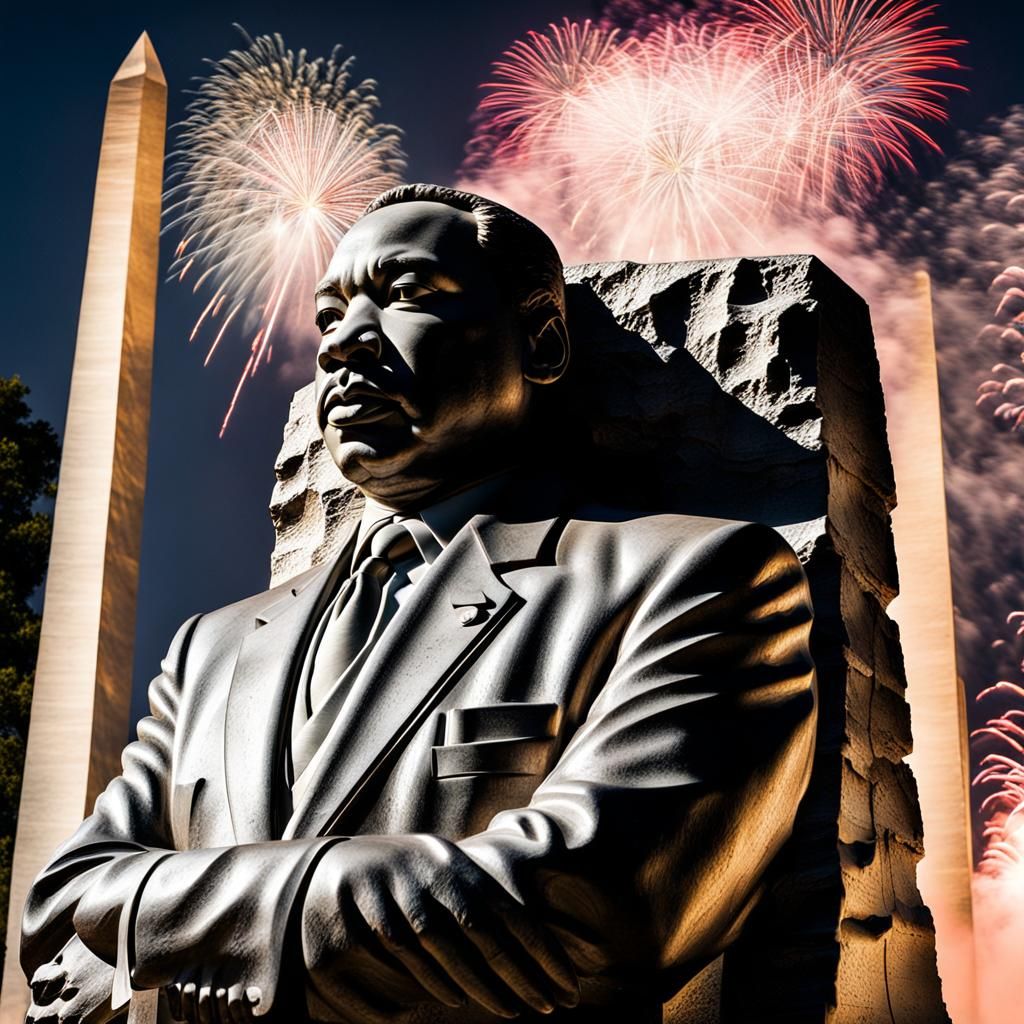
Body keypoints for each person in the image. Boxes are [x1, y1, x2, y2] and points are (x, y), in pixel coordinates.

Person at [21, 185, 817, 1024]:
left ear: (542, 343)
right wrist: (380, 892)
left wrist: (151, 954)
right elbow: (60, 906)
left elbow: (610, 903)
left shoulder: (693, 578)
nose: (343, 343)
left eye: (404, 294)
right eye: (329, 317)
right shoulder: (209, 650)